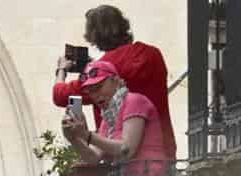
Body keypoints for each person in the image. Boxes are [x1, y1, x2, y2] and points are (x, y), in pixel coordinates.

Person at [51, 6, 173, 157]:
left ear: (94, 36)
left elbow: (60, 95)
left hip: (119, 156)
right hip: (161, 150)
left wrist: (61, 70)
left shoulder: (107, 72)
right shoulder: (153, 54)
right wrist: (96, 68)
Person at [63, 59, 176, 176]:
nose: (95, 95)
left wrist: (87, 135)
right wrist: (74, 138)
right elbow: (93, 158)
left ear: (115, 81)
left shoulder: (134, 101)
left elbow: (127, 149)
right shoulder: (108, 116)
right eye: (90, 91)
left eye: (98, 87)